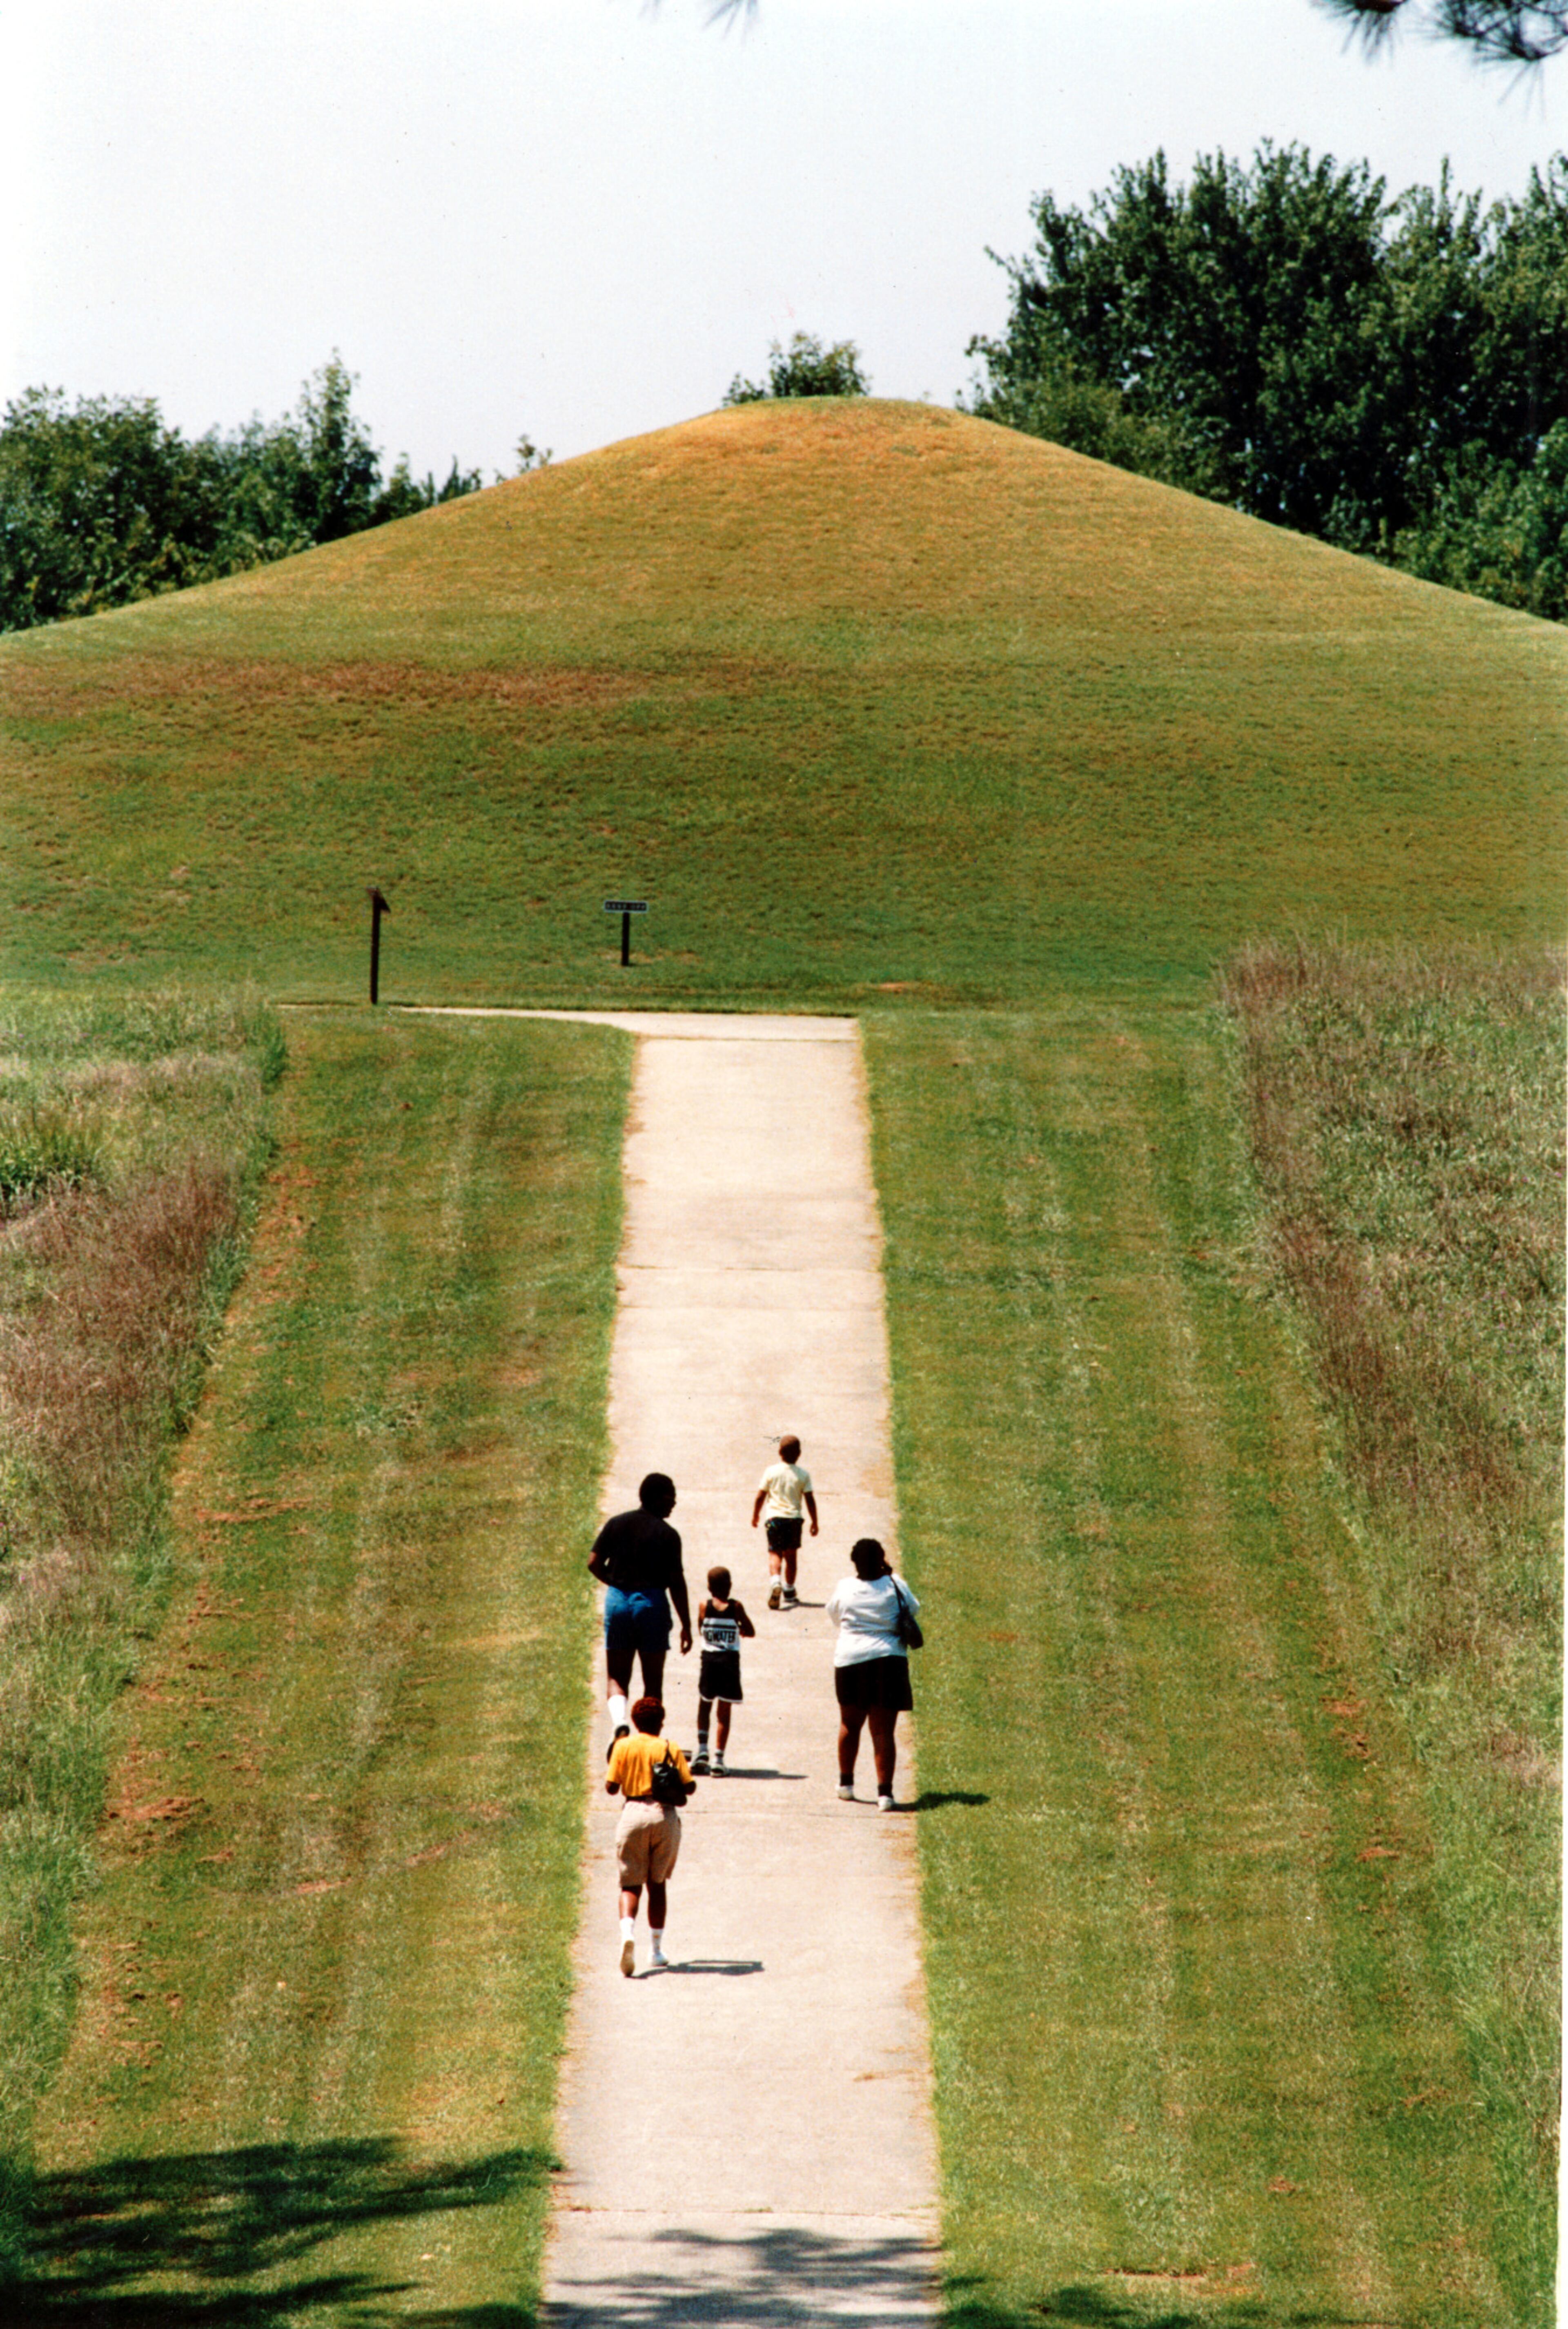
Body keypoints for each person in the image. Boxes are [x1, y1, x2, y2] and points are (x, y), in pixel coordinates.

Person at [589, 1472, 692, 1754]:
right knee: (653, 1681)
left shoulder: (617, 1523)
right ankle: (649, 1743)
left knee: (617, 1677)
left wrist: (615, 1583)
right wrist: (686, 1624)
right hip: (652, 1604)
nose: (675, 1501)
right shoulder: (668, 1535)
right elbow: (676, 1583)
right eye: (671, 1494)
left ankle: (620, 1723)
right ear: (657, 1496)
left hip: (619, 1602)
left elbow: (593, 1562)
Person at [825, 1537, 921, 1812]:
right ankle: (885, 1795)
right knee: (882, 1732)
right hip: (889, 1662)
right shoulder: (895, 1584)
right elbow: (913, 1609)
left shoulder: (845, 1587)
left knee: (850, 1724)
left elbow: (834, 1616)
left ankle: (846, 1785)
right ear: (882, 1559)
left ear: (854, 1561)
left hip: (850, 1660)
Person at [606, 1695, 695, 1975]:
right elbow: (689, 1787)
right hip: (663, 1816)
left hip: (632, 1814)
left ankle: (627, 1933)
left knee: (630, 1883)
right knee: (657, 1884)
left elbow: (611, 1786)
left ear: (634, 1721)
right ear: (661, 1722)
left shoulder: (623, 1746)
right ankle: (656, 1950)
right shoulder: (670, 1747)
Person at [693, 1564, 756, 1775]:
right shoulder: (736, 1607)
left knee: (705, 1703)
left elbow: (701, 1628)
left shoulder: (704, 1606)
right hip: (729, 1662)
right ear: (730, 1586)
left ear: (709, 1587)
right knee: (724, 1711)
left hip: (709, 1661)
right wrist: (740, 1631)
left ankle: (703, 1749)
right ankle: (719, 1759)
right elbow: (751, 1630)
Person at [751, 1433, 819, 1609]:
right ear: (799, 1454)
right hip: (794, 1520)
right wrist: (815, 1522)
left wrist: (756, 1515)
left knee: (775, 1553)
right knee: (791, 1556)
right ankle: (789, 1589)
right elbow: (810, 1499)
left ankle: (775, 1583)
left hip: (774, 1519)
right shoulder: (803, 1475)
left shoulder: (771, 1471)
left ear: (780, 1452)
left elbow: (761, 1496)